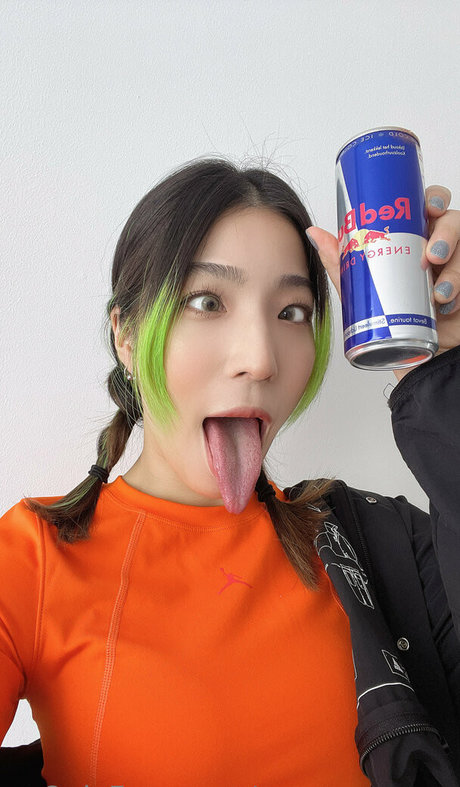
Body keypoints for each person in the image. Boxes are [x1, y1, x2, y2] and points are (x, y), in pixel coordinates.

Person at [1, 157, 459, 787]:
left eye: (292, 312)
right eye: (207, 301)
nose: (261, 358)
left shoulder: (382, 546)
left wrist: (445, 377)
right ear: (126, 336)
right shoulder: (32, 559)